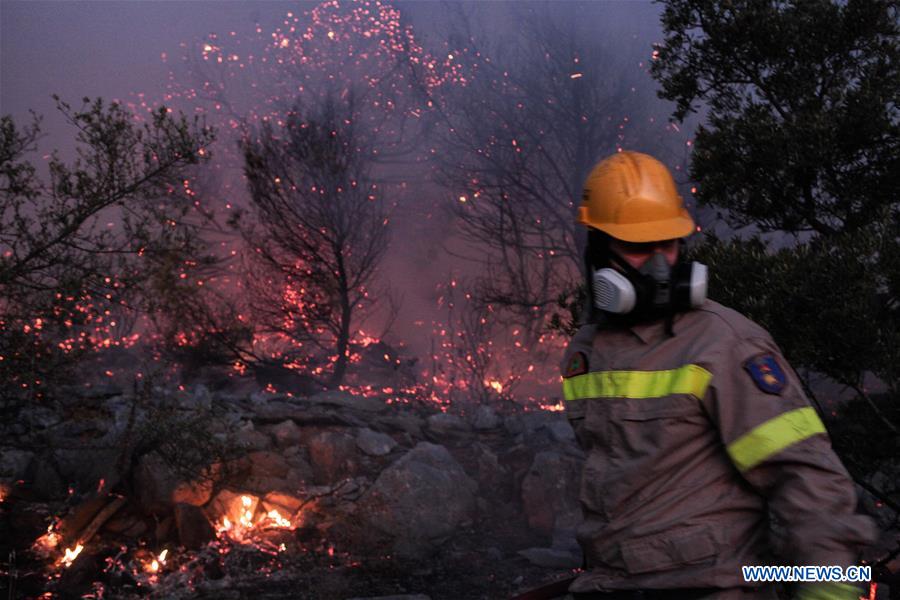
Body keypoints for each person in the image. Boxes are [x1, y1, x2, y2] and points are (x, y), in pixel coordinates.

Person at [559, 151, 877, 600]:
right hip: (611, 583)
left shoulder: (725, 343)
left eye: (667, 243)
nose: (658, 265)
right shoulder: (584, 352)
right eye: (637, 246)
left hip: (711, 585)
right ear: (598, 251)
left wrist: (829, 591)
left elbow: (806, 479)